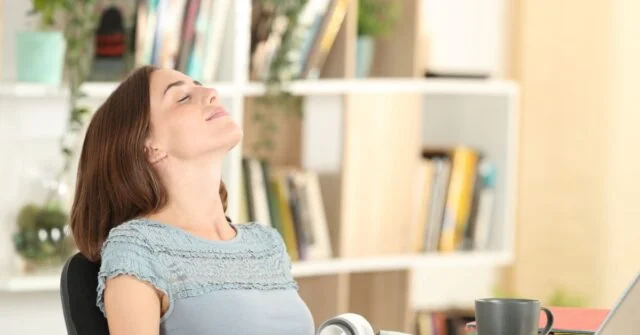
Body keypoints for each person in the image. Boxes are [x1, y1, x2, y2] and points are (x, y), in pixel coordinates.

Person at [69, 65, 315, 335]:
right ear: (150, 147)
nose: (211, 92)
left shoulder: (266, 244)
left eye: (201, 86)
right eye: (183, 97)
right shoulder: (138, 248)